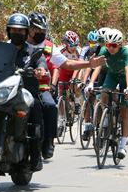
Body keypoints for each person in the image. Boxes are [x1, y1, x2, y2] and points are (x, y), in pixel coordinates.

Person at [26, 12, 105, 159]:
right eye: (37, 30)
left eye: (43, 30)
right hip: (17, 88)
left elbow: (66, 64)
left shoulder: (49, 46)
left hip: (40, 88)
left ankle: (49, 141)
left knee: (50, 106)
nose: (40, 33)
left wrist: (89, 63)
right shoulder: (16, 43)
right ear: (29, 29)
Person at [6, 13, 47, 171]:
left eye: (20, 31)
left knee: (36, 106)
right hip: (4, 91)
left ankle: (36, 155)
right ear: (8, 31)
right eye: (14, 30)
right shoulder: (3, 48)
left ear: (26, 32)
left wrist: (40, 70)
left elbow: (41, 61)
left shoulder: (32, 51)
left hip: (24, 92)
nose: (17, 33)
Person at [85, 29, 128, 159]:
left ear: (120, 45)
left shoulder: (126, 52)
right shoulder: (104, 51)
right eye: (108, 45)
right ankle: (106, 119)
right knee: (104, 93)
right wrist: (91, 83)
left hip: (124, 77)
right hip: (112, 75)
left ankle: (123, 145)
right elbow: (98, 67)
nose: (111, 48)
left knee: (125, 110)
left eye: (114, 45)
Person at [57, 30, 82, 114]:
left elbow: (79, 66)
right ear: (66, 44)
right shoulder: (61, 50)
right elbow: (56, 65)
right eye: (71, 45)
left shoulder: (78, 51)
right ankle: (61, 116)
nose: (74, 47)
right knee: (61, 93)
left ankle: (77, 101)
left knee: (76, 84)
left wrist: (74, 78)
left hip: (75, 70)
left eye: (76, 45)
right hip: (64, 71)